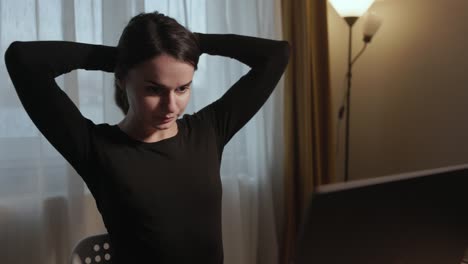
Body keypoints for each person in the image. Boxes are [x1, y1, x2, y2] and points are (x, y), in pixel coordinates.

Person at [4, 11, 290, 263]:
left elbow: (276, 55)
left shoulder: (210, 130)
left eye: (182, 88)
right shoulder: (95, 148)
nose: (171, 106)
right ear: (122, 81)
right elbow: (23, 59)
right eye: (154, 89)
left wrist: (194, 42)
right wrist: (121, 59)